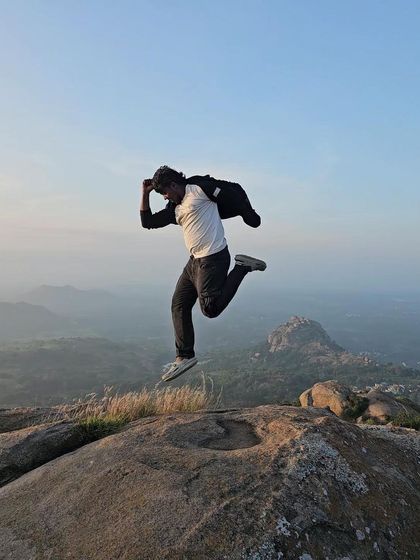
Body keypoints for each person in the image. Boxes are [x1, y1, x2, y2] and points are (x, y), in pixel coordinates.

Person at [140, 166, 266, 382]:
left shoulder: (199, 189)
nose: (165, 197)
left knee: (210, 308)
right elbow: (147, 222)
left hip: (213, 257)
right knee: (179, 304)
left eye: (165, 193)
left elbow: (234, 191)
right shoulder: (175, 208)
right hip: (194, 262)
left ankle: (242, 267)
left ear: (173, 184)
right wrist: (145, 193)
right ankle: (185, 356)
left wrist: (249, 214)